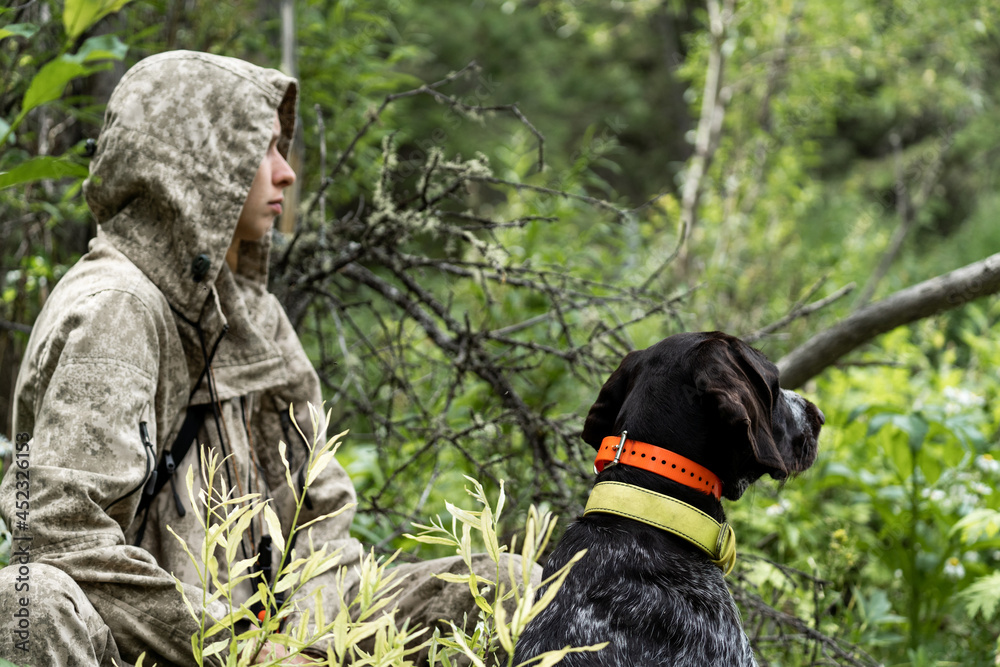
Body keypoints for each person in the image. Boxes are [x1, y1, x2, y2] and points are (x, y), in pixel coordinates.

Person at [0, 51, 534, 666]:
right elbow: (58, 539)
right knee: (29, 604)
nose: (285, 174)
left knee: (500, 584)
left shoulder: (251, 311)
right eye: (264, 149)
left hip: (278, 634)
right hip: (165, 647)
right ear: (197, 161)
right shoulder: (115, 308)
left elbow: (321, 512)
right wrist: (250, 652)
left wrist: (306, 641)